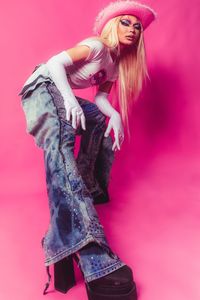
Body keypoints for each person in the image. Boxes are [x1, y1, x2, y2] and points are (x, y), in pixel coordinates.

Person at [18, 1, 156, 299]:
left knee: (99, 119)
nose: (132, 29)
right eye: (125, 22)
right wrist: (69, 100)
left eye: (137, 27)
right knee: (62, 147)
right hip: (43, 86)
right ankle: (93, 254)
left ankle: (81, 193)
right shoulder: (96, 47)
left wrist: (116, 115)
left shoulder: (116, 66)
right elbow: (54, 64)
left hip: (57, 91)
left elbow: (101, 100)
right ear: (111, 25)